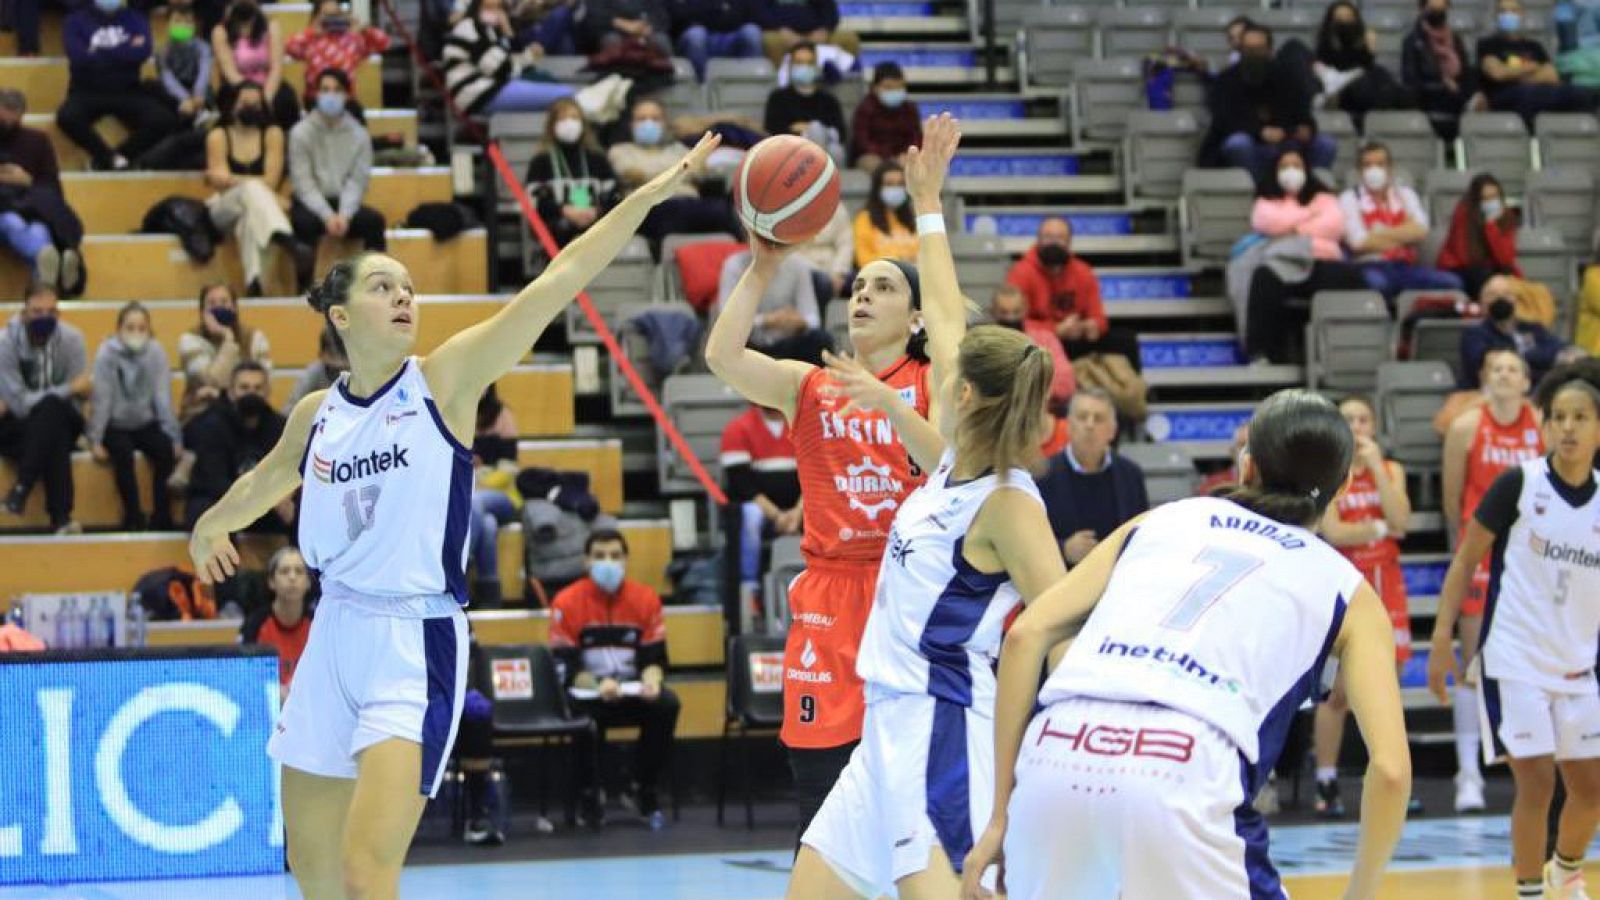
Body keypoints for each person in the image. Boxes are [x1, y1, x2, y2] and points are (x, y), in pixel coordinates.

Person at [186, 132, 721, 899]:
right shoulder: (317, 412)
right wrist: (211, 523)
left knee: (370, 875)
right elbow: (266, 478)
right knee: (311, 868)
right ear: (340, 315)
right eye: (384, 287)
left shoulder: (443, 383)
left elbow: (557, 281)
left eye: (409, 286)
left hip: (413, 637)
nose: (406, 296)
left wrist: (644, 197)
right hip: (334, 630)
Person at [962, 389, 1410, 900]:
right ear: (1345, 484)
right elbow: (1392, 771)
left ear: (1247, 467)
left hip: (1056, 751)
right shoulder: (1346, 587)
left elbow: (1024, 635)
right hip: (1184, 764)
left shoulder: (1160, 520)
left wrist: (999, 815)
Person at [707, 114, 964, 843]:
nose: (861, 295)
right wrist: (762, 267)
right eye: (856, 286)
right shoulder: (810, 385)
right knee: (821, 801)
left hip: (906, 590)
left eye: (882, 287)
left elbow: (944, 457)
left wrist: (886, 402)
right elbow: (723, 358)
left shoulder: (932, 379)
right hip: (829, 593)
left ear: (915, 319)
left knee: (917, 807)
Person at [789, 321, 1066, 898]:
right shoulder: (947, 470)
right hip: (884, 723)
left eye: (945, 376)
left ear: (963, 394)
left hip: (944, 724)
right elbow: (941, 310)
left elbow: (1060, 617)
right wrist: (929, 224)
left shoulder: (1008, 502)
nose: (932, 381)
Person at [1428, 364, 1600, 900]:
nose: (1567, 427)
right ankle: (1530, 892)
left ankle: (1563, 869)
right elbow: (1465, 561)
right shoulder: (1519, 484)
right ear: (1545, 427)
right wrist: (1440, 640)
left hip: (1578, 665)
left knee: (1591, 792)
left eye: (1580, 417)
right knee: (1537, 783)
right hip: (1514, 659)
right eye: (1558, 418)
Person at [1440, 348, 1541, 813]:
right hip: (1481, 551)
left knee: (1536, 664)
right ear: (1484, 377)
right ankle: (1468, 774)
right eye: (1495, 367)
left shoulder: (1542, 424)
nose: (1503, 374)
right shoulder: (1465, 427)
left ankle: (1536, 775)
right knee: (1473, 660)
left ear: (1526, 381)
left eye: (1512, 369)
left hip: (1532, 555)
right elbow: (1452, 497)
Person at [1312, 395, 1415, 821]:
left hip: (1386, 583)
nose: (1357, 426)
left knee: (1387, 687)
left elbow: (1402, 521)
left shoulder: (1391, 470)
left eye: (1363, 419)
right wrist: (1376, 527)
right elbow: (1334, 532)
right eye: (1349, 419)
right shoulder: (1328, 472)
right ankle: (1326, 778)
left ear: (1373, 426)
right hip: (1344, 584)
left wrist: (1374, 469)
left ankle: (1393, 781)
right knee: (1337, 694)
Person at [550, 529, 680, 829]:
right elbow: (565, 668)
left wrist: (652, 681)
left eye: (614, 556)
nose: (607, 562)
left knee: (667, 704)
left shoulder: (646, 599)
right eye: (599, 556)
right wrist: (597, 685)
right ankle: (589, 795)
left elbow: (655, 659)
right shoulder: (566, 602)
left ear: (625, 560)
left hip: (632, 692)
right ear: (586, 561)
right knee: (581, 717)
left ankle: (642, 787)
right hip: (590, 694)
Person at [1244, 148, 1368, 364]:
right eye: (1284, 166)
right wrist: (1310, 215)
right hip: (1286, 262)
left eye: (1296, 166)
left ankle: (1348, 356)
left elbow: (1335, 224)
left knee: (1354, 279)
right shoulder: (1266, 200)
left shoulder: (1324, 197)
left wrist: (1295, 229)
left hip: (1322, 260)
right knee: (1263, 278)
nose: (1291, 171)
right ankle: (1263, 355)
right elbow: (1267, 222)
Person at [289, 68, 388, 291]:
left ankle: (378, 286)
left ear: (346, 95)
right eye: (325, 89)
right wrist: (327, 216)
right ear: (316, 94)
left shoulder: (359, 134)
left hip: (345, 204)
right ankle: (303, 290)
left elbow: (358, 180)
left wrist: (344, 215)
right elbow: (303, 182)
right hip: (311, 203)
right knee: (302, 224)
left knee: (374, 222)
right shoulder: (300, 133)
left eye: (336, 90)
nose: (330, 95)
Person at [0, 285, 88, 534]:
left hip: (63, 418)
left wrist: (65, 395)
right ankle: (60, 518)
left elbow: (81, 395)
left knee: (54, 414)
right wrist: (66, 389)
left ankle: (21, 489)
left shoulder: (73, 339)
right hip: (18, 423)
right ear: (24, 312)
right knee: (52, 426)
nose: (44, 317)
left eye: (51, 311)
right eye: (37, 311)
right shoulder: (5, 343)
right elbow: (17, 404)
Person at [87, 302, 183, 531]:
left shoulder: (156, 352)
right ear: (119, 330)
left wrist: (174, 438)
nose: (136, 333)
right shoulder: (106, 354)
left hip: (145, 421)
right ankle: (132, 515)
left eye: (142, 328)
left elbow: (162, 397)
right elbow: (102, 399)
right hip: (115, 423)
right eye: (130, 327)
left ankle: (162, 514)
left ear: (149, 331)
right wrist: (95, 439)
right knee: (123, 454)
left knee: (164, 451)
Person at [1005, 217, 1140, 375]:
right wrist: (1055, 329)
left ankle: (1132, 392)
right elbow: (1013, 322)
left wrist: (1092, 327)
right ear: (1038, 240)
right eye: (1048, 237)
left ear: (1069, 242)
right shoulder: (1021, 272)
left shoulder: (1083, 271)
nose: (1054, 243)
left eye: (1060, 238)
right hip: (1040, 342)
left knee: (1125, 339)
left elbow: (1099, 317)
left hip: (1076, 338)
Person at [56, 0, 179, 173]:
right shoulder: (75, 20)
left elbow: (142, 52)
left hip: (128, 90)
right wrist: (124, 51)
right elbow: (78, 57)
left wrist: (96, 51)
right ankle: (108, 157)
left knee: (163, 120)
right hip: (86, 90)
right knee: (67, 117)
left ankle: (117, 157)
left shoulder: (136, 18)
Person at [1198, 23, 1335, 178]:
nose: (1253, 54)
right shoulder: (1226, 80)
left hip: (1286, 143)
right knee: (1238, 143)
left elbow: (1302, 114)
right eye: (1248, 49)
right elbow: (1223, 122)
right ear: (1240, 51)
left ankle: (1310, 192)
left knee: (1325, 144)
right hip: (1248, 144)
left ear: (1269, 50)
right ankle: (1257, 193)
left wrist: (1305, 129)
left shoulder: (1287, 78)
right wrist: (1259, 132)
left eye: (1259, 49)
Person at [1035, 387, 1149, 569]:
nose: (1089, 425)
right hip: (1062, 583)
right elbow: (1027, 544)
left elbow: (1142, 535)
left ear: (1113, 430)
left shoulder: (1131, 474)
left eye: (1098, 418)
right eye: (1082, 417)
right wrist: (1063, 548)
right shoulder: (1041, 474)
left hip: (1117, 582)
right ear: (1069, 427)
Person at [1339, 141, 1462, 302]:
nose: (1374, 170)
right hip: (1370, 266)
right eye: (1367, 165)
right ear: (1359, 171)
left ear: (1390, 169)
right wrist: (1405, 235)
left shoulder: (1405, 194)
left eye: (1380, 164)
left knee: (1453, 282)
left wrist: (1378, 232)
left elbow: (1421, 231)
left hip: (1405, 266)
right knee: (1379, 285)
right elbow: (1358, 242)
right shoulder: (1349, 198)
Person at [205, 82, 296, 298]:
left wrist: (234, 179)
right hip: (223, 207)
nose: (251, 108)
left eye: (256, 103)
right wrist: (262, 191)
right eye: (246, 103)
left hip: (254, 210)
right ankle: (283, 234)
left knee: (249, 220)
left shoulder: (273, 134)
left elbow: (271, 181)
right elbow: (221, 183)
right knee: (252, 190)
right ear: (233, 105)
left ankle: (254, 282)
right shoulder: (218, 135)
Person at [609, 100, 740, 245]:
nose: (648, 123)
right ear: (631, 124)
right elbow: (633, 174)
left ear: (664, 123)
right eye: (642, 119)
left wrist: (655, 174)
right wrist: (681, 172)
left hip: (692, 203)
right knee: (671, 215)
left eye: (655, 119)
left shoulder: (678, 149)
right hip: (649, 208)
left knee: (725, 210)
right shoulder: (621, 151)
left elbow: (700, 170)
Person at [183, 360, 290, 531]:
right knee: (209, 514)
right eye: (244, 388)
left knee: (301, 509)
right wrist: (263, 496)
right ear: (231, 392)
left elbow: (289, 469)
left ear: (267, 391)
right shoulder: (212, 425)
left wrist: (285, 495)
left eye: (257, 388)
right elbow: (215, 483)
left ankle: (293, 558)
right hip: (221, 500)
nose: (251, 394)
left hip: (262, 505)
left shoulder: (280, 426)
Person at [0, 90, 85, 297]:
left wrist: (27, 181)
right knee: (13, 222)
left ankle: (43, 295)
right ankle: (52, 286)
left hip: (31, 206)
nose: (7, 125)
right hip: (4, 208)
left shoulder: (37, 141)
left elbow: (52, 186)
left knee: (39, 230)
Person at [720, 400, 800, 596]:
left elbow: (817, 476)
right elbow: (742, 485)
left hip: (800, 508)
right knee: (750, 514)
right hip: (761, 510)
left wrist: (797, 514)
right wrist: (778, 516)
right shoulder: (737, 429)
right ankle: (749, 590)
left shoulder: (804, 426)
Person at [1478, 0, 1600, 128]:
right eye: (1503, 11)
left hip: (1540, 93)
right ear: (1495, 15)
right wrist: (1532, 67)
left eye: (1513, 11)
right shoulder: (1487, 44)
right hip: (1506, 96)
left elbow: (1552, 75)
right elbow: (1497, 73)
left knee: (1581, 94)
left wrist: (1513, 74)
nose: (1508, 15)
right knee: (1527, 94)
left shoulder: (1534, 46)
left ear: (1522, 14)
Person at [444, 0, 575, 114]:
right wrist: (528, 56)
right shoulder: (471, 28)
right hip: (480, 95)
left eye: (499, 8)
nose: (498, 12)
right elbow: (502, 69)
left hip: (493, 87)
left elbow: (505, 61)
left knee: (550, 83)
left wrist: (506, 31)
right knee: (565, 95)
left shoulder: (488, 30)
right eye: (493, 8)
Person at [526, 97, 619, 248]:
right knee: (563, 228)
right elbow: (534, 199)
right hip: (557, 224)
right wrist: (565, 210)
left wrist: (595, 211)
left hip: (595, 220)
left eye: (574, 118)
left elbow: (613, 195)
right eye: (563, 119)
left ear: (583, 124)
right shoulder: (541, 161)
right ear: (552, 126)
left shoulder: (597, 159)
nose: (569, 123)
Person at [714, 248, 829, 363]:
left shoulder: (798, 264)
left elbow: (813, 319)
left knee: (821, 340)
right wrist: (766, 320)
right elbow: (727, 321)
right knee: (727, 341)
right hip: (749, 343)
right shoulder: (734, 265)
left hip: (788, 341)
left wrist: (799, 322)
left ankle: (816, 380)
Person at [1313, 1, 1410, 130]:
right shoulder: (1325, 44)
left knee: (1381, 75)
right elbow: (1332, 71)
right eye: (1339, 18)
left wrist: (1370, 50)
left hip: (1364, 86)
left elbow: (1366, 66)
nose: (1344, 21)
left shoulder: (1361, 39)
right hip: (1341, 89)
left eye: (1348, 17)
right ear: (1331, 21)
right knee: (1365, 84)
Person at [179, 283, 273, 412]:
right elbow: (212, 381)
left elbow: (264, 385)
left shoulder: (255, 338)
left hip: (247, 411)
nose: (218, 307)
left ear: (234, 308)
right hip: (201, 413)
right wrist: (227, 338)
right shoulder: (189, 340)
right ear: (202, 312)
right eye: (212, 303)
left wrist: (219, 394)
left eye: (224, 302)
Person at [1461, 274, 1566, 390]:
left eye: (1506, 294)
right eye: (1492, 295)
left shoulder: (1533, 328)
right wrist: (1539, 360)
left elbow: (1558, 350)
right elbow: (1489, 362)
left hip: (1538, 391)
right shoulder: (1474, 334)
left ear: (1515, 300)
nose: (1500, 299)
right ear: (1482, 302)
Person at [212, 0, 301, 131]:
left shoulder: (272, 26)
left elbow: (276, 68)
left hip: (269, 84)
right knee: (235, 106)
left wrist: (265, 97)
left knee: (285, 101)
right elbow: (229, 72)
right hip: (237, 87)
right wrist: (250, 93)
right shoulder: (220, 31)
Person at [239, 545, 315, 699]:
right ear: (271, 581)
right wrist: (273, 692)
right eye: (284, 571)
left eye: (299, 571)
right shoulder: (255, 624)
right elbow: (245, 676)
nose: (292, 577)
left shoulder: (318, 624)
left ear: (308, 582)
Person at [467, 384, 518, 606]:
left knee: (475, 501)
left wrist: (479, 477)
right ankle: (490, 592)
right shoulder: (450, 412)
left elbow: (508, 470)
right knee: (487, 525)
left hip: (502, 495)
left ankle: (461, 562)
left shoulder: (502, 416)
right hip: (465, 495)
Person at [284, 0, 392, 106]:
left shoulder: (353, 39)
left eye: (336, 14)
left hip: (346, 99)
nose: (332, 19)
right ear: (316, 17)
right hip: (316, 98)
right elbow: (288, 47)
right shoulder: (310, 40)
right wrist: (311, 32)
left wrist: (363, 29)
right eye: (327, 15)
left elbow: (384, 43)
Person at [989, 283, 1073, 413]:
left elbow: (1066, 383)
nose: (1010, 318)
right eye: (1004, 312)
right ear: (993, 312)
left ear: (1025, 309)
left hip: (1041, 410)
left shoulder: (1045, 340)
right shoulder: (985, 344)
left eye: (1016, 312)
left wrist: (1025, 391)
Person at [1438, 173, 1521, 301]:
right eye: (1485, 199)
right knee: (1485, 277)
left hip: (1491, 268)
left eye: (1494, 197)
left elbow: (1506, 259)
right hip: (1460, 268)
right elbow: (1464, 257)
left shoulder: (1506, 216)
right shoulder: (1463, 214)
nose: (1491, 203)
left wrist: (1491, 226)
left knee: (1512, 280)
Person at [1402, 0, 1477, 141]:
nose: (1438, 14)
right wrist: (1444, 85)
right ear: (1422, 9)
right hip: (1429, 98)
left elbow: (1465, 72)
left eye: (1441, 10)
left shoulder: (1455, 40)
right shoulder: (1413, 41)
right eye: (1433, 10)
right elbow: (1411, 80)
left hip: (1457, 96)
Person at [763, 43, 848, 163]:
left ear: (816, 67)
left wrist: (809, 128)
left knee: (836, 150)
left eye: (809, 63)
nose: (805, 67)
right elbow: (773, 130)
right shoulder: (778, 98)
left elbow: (841, 133)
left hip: (825, 150)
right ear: (790, 66)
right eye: (799, 63)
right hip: (789, 152)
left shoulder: (828, 100)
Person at [668, 0, 763, 82]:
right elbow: (680, 15)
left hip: (731, 37)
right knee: (696, 35)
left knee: (752, 32)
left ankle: (749, 87)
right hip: (696, 38)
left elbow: (754, 16)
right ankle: (701, 89)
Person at [850, 62, 919, 173]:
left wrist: (907, 154)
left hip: (902, 156)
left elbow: (915, 137)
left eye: (898, 87)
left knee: (915, 164)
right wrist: (889, 157)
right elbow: (862, 142)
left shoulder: (909, 109)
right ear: (875, 88)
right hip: (873, 156)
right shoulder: (865, 108)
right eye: (888, 87)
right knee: (874, 164)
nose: (894, 91)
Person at [155, 4, 216, 130]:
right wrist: (184, 98)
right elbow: (167, 78)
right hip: (176, 94)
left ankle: (203, 116)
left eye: (188, 22)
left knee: (209, 92)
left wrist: (198, 94)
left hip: (199, 91)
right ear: (167, 25)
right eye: (177, 21)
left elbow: (204, 73)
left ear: (195, 25)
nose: (182, 26)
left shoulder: (203, 47)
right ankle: (195, 119)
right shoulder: (162, 51)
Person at [853, 161, 916, 267]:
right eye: (889, 184)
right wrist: (897, 261)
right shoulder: (865, 219)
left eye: (900, 184)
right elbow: (862, 259)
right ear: (878, 188)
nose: (896, 188)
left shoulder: (914, 219)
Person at [758, 0, 859, 65]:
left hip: (816, 33)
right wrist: (779, 29)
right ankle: (782, 88)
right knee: (770, 41)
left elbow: (830, 11)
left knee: (849, 39)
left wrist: (824, 29)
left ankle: (835, 88)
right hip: (781, 33)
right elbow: (760, 12)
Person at [795, 203, 854, 301]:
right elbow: (789, 250)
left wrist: (838, 272)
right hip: (804, 269)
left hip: (833, 269)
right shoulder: (792, 208)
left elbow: (845, 245)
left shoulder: (837, 207)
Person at [578, 0, 672, 57]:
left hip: (644, 32)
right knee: (612, 41)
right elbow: (594, 18)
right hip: (612, 31)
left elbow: (662, 18)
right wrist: (623, 24)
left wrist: (649, 28)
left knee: (661, 40)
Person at [287, 326, 348, 407]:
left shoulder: (357, 374)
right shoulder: (314, 372)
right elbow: (292, 408)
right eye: (333, 354)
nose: (339, 363)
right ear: (322, 354)